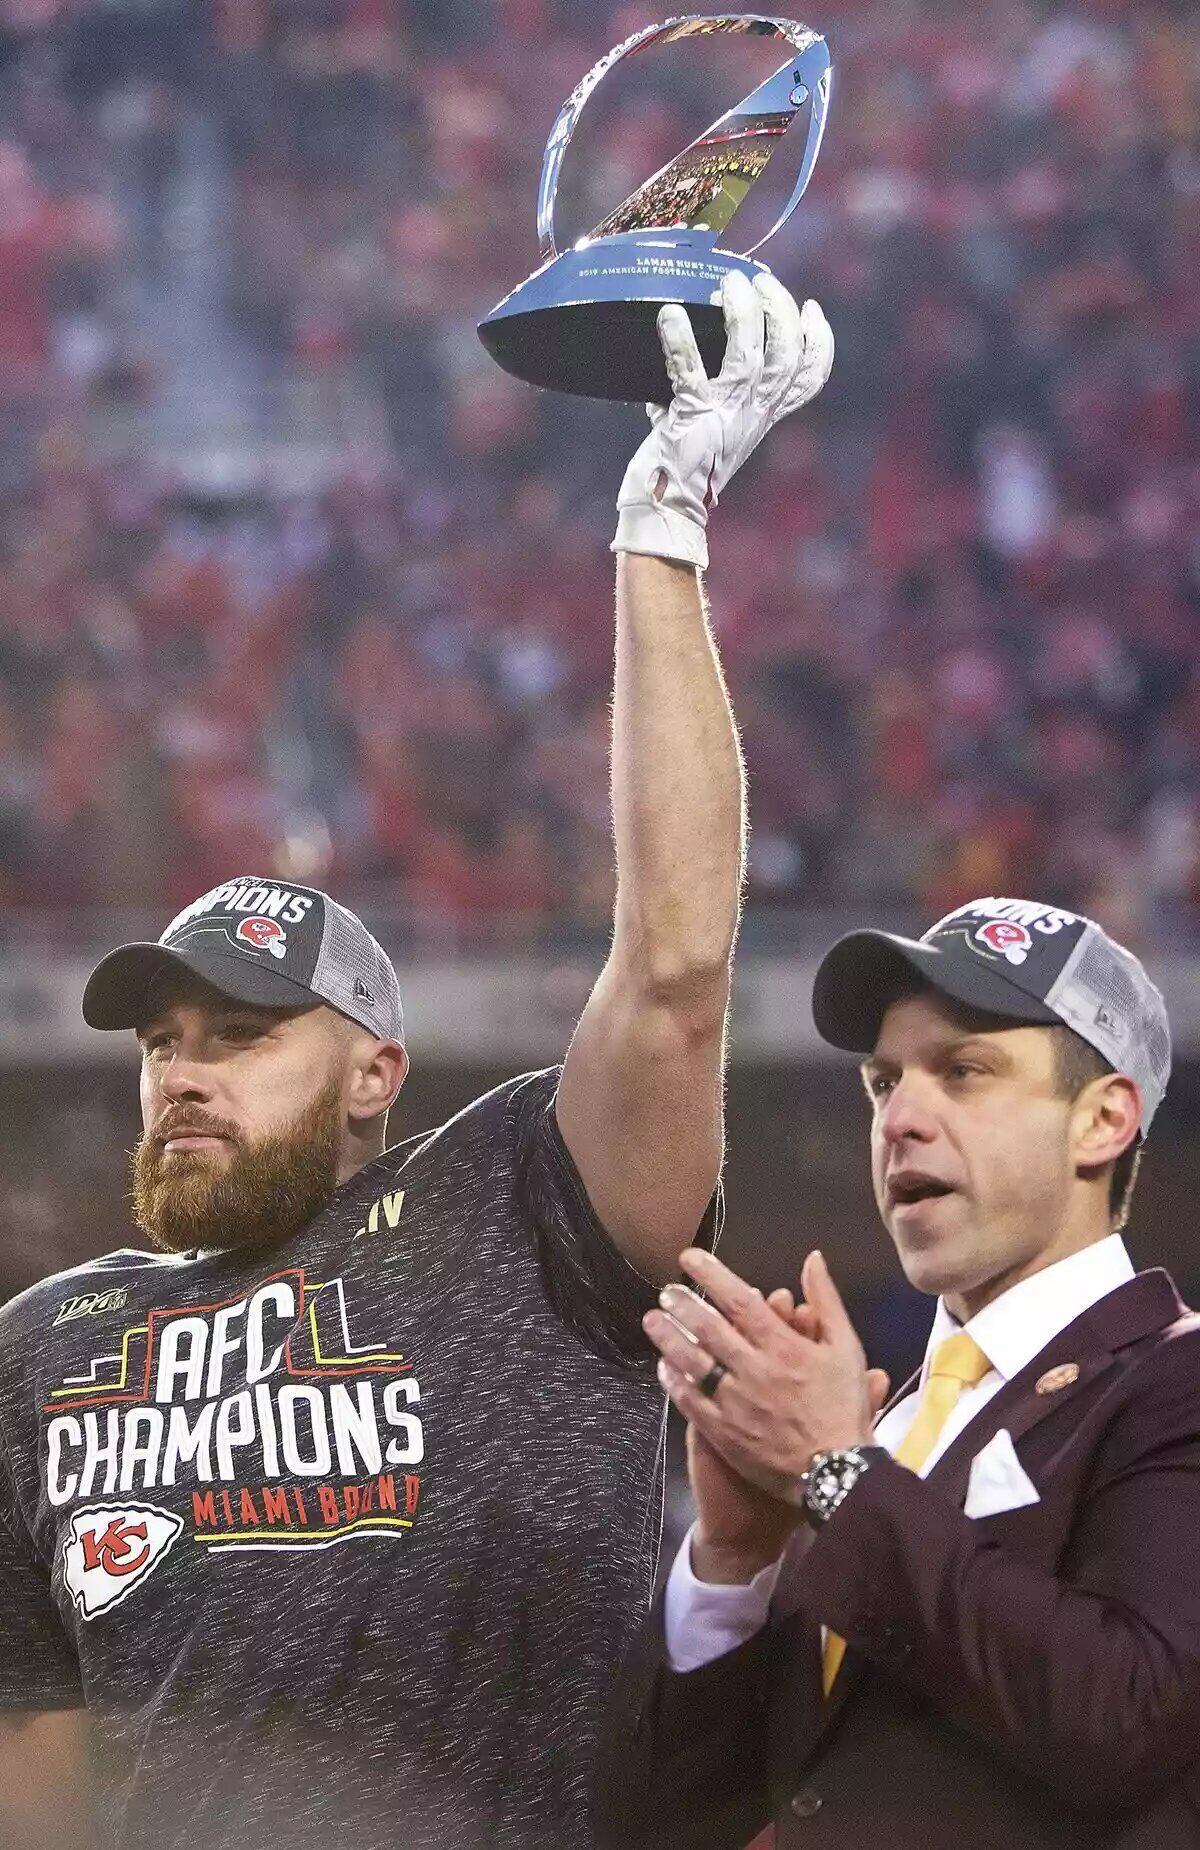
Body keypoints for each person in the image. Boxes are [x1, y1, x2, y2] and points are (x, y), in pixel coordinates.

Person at [0, 273, 833, 1850]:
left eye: (242, 1034)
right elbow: (35, 1772)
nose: (184, 1071)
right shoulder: (45, 1346)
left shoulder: (519, 1222)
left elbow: (671, 971)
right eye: (163, 1040)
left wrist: (660, 535)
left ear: (378, 1070)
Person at [593, 895, 1200, 1849]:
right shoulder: (884, 1428)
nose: (900, 1118)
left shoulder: (1174, 1379)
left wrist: (838, 1475)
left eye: (964, 1071)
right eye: (884, 1082)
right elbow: (668, 1825)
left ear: (1103, 1121)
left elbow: (1125, 1721)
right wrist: (734, 1560)